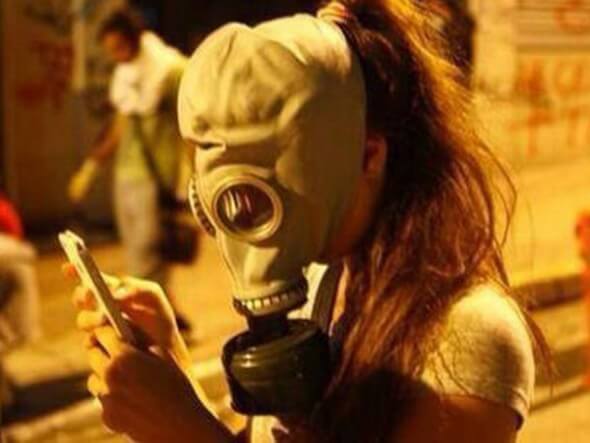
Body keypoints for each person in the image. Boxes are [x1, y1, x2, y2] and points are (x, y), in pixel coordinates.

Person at [66, 1, 551, 442]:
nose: (237, 205)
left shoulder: (468, 336)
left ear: (368, 156)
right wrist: (175, 375)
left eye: (267, 161)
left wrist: (181, 431)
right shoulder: (321, 276)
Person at [68, 9, 192, 331]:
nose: (116, 57)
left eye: (119, 48)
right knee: (138, 253)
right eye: (110, 51)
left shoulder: (171, 71)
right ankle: (168, 316)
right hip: (125, 175)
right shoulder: (125, 75)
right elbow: (120, 125)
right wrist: (91, 168)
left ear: (135, 38)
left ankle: (153, 322)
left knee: (148, 253)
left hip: (157, 177)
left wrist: (190, 178)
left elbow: (192, 127)